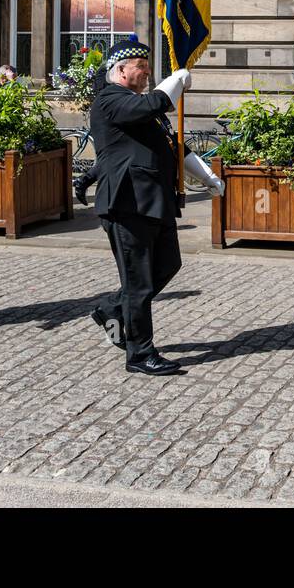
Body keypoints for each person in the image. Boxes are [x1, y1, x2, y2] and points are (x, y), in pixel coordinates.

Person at [88, 35, 224, 376]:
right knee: (139, 283)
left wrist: (207, 176)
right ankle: (139, 353)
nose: (147, 72)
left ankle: (112, 311)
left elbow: (174, 146)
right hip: (127, 204)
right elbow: (155, 103)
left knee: (167, 265)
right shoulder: (110, 100)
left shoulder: (138, 104)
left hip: (155, 201)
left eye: (149, 67)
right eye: (141, 67)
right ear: (120, 70)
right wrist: (175, 80)